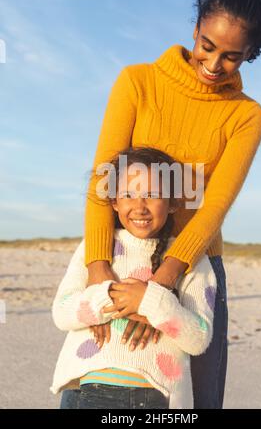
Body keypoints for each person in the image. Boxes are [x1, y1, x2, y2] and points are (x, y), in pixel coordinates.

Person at [82, 0, 261, 408]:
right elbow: (104, 180)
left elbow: (213, 208)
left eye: (231, 56)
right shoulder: (138, 82)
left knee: (198, 400)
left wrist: (166, 281)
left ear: (251, 52)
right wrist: (97, 266)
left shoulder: (246, 116)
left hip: (196, 269)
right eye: (206, 46)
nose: (213, 65)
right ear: (195, 28)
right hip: (122, 257)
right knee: (106, 386)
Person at [51, 147, 217, 409]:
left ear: (173, 202)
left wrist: (149, 302)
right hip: (82, 388)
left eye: (152, 195)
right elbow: (61, 313)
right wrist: (106, 298)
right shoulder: (96, 247)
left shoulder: (191, 259)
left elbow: (198, 339)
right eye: (128, 194)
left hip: (149, 394)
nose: (139, 207)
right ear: (114, 201)